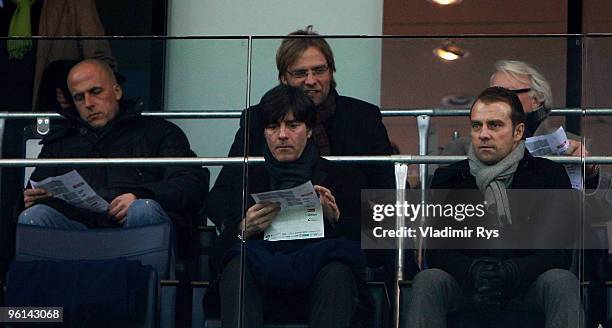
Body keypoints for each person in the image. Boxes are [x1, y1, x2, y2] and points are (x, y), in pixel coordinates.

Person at [406, 87, 582, 327]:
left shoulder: (548, 174)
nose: (483, 134)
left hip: (526, 285)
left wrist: (511, 272)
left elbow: (558, 252)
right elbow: (437, 251)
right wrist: (474, 271)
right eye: (477, 126)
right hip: (467, 285)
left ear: (518, 131)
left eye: (495, 125)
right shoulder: (450, 176)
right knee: (428, 280)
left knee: (562, 281)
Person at [207, 85, 370, 328]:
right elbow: (216, 256)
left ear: (310, 131)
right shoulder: (244, 178)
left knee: (338, 271)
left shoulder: (342, 177)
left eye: (293, 126)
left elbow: (370, 252)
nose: (282, 135)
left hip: (319, 285)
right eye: (273, 127)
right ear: (263, 133)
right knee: (236, 270)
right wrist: (244, 228)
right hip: (261, 288)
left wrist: (336, 219)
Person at [209, 26, 395, 228]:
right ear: (283, 78)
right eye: (300, 73)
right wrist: (243, 227)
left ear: (331, 72)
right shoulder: (257, 118)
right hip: (269, 239)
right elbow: (222, 196)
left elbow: (388, 197)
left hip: (342, 236)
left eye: (319, 70)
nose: (311, 81)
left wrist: (341, 221)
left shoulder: (362, 118)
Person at [16, 59, 209, 253]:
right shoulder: (60, 143)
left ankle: (144, 281)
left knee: (143, 209)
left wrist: (140, 195)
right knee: (34, 216)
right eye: (79, 98)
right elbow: (31, 195)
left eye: (96, 92)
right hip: (80, 234)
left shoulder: (159, 132)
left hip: (135, 230)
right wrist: (31, 200)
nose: (89, 103)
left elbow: (191, 183)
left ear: (117, 91)